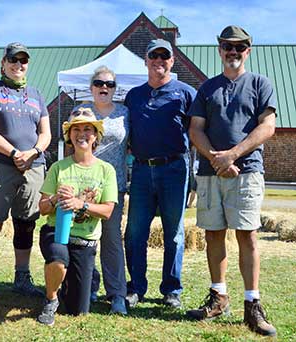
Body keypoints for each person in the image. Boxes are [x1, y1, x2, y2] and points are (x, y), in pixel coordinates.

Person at [186, 26, 277, 337]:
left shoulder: (259, 84)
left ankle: (252, 304)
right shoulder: (207, 88)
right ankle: (218, 295)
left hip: (247, 171)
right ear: (220, 50)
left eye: (240, 47)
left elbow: (268, 127)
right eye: (228, 46)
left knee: (247, 236)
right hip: (210, 174)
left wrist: (233, 155)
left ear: (247, 51)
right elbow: (195, 129)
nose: (233, 52)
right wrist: (216, 158)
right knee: (213, 234)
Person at [0, 42, 51, 309]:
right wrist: (15, 152)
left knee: (26, 222)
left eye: (23, 60)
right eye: (13, 60)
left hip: (33, 164)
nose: (18, 65)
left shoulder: (37, 94)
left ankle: (22, 278)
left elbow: (46, 133)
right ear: (3, 63)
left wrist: (34, 152)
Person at [124, 39, 196, 309]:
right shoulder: (134, 95)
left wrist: (196, 177)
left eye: (164, 56)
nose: (159, 61)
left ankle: (171, 289)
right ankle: (136, 287)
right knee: (134, 233)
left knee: (174, 233)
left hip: (175, 169)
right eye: (153, 55)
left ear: (172, 61)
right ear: (145, 60)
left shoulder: (186, 93)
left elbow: (197, 133)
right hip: (142, 170)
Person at [37, 108, 118, 326]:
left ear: (96, 137)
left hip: (85, 241)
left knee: (77, 311)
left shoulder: (106, 170)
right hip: (57, 232)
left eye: (87, 129)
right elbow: (43, 208)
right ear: (69, 136)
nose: (82, 133)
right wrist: (55, 198)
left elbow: (108, 211)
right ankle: (51, 299)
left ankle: (78, 279)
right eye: (76, 129)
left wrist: (79, 204)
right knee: (58, 257)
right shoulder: (58, 167)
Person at [72, 65, 129, 314]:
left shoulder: (125, 113)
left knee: (112, 240)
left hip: (113, 186)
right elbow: (69, 146)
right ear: (91, 87)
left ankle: (117, 294)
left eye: (109, 84)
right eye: (99, 83)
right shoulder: (81, 111)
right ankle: (87, 287)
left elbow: (133, 145)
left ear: (115, 89)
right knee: (84, 238)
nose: (104, 87)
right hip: (83, 185)